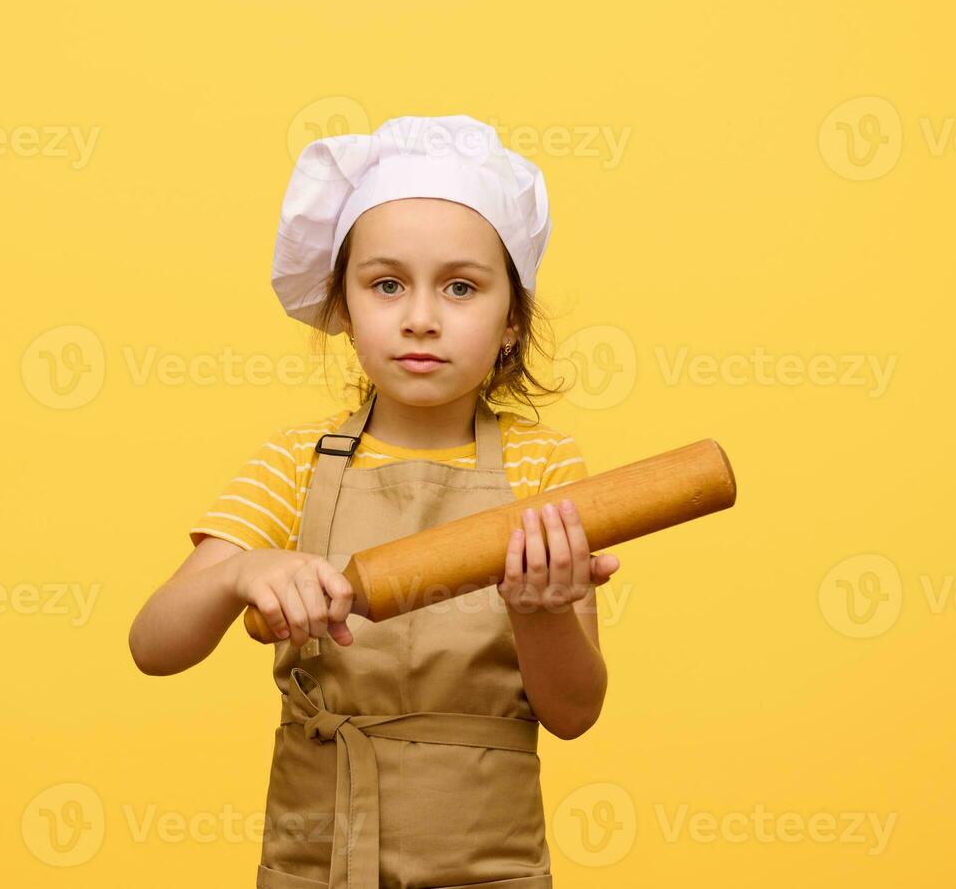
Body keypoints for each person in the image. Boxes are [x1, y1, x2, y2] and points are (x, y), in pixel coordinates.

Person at [128, 114, 620, 889]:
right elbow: (152, 647)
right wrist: (238, 573)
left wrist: (541, 610)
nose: (420, 315)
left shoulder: (547, 470)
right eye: (386, 284)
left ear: (510, 324)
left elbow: (573, 712)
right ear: (344, 310)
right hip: (313, 865)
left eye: (460, 287)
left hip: (488, 870)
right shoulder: (294, 462)